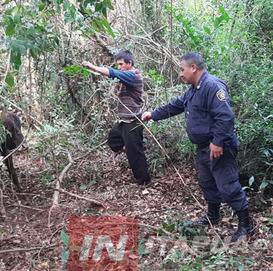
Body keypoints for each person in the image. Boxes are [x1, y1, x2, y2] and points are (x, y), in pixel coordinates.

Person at [141, 52, 254, 243]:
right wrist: (153, 114)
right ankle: (213, 217)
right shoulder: (193, 89)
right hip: (203, 148)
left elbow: (225, 117)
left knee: (227, 186)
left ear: (193, 68)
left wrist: (217, 142)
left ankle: (246, 225)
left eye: (182, 69)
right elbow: (176, 105)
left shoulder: (212, 86)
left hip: (219, 147)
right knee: (207, 183)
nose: (180, 74)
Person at [82, 50, 151, 185]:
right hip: (123, 121)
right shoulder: (127, 76)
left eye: (121, 64)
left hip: (132, 121)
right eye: (118, 65)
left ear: (129, 63)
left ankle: (144, 181)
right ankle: (133, 151)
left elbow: (114, 73)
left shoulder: (133, 75)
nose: (119, 67)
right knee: (113, 141)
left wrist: (93, 66)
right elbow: (116, 75)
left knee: (135, 153)